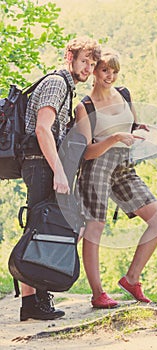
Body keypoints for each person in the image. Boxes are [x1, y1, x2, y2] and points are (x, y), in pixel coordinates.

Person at [75, 49, 157, 309]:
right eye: (105, 70)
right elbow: (86, 152)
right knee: (94, 228)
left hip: (124, 170)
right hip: (96, 170)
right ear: (94, 71)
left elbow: (132, 126)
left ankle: (131, 279)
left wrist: (140, 130)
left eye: (114, 71)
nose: (110, 75)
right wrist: (114, 138)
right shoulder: (85, 107)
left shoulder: (125, 94)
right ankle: (97, 294)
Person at [19, 37, 101, 321]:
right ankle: (31, 303)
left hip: (44, 164)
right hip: (41, 164)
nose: (88, 68)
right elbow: (43, 129)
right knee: (39, 228)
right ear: (70, 57)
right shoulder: (57, 83)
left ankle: (37, 301)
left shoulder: (68, 88)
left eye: (92, 63)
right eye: (84, 61)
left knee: (44, 227)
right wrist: (59, 172)